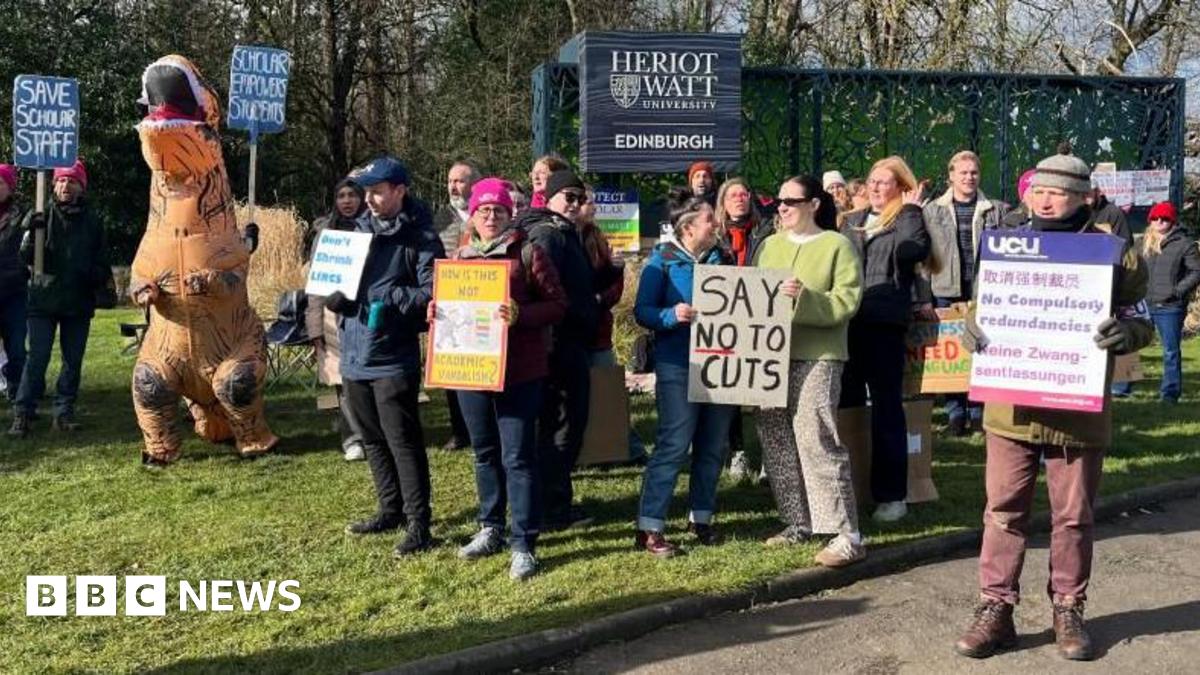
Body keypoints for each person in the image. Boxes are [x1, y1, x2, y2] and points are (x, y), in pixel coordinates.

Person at [953, 149, 1153, 662]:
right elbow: (985, 305)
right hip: (1011, 407)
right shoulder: (1006, 243)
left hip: (1076, 411)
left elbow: (1142, 318)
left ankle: (1068, 608)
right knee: (1002, 511)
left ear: (1084, 196)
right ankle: (995, 609)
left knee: (1073, 517)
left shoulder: (1114, 251)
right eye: (1038, 189)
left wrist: (1124, 331)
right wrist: (973, 327)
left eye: (1057, 191)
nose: (1044, 199)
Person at [435, 177, 567, 580]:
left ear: (511, 215)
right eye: (484, 210)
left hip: (520, 371)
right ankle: (490, 526)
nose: (491, 217)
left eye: (499, 211)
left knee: (518, 457)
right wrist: (435, 315)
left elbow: (559, 305)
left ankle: (523, 542)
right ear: (472, 216)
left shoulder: (528, 251)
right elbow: (444, 306)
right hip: (470, 370)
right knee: (484, 452)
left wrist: (521, 315)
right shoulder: (459, 257)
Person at [331, 157, 442, 557]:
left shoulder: (421, 238)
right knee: (372, 438)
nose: (370, 199)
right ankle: (389, 508)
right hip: (355, 351)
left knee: (402, 441)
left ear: (399, 190)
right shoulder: (354, 231)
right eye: (367, 192)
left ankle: (419, 523)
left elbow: (432, 294)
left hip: (393, 356)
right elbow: (340, 286)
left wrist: (389, 296)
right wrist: (334, 296)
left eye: (378, 191)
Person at [754, 175, 865, 566]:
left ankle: (845, 532)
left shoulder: (838, 246)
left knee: (816, 433)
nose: (780, 208)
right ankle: (796, 522)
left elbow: (846, 301)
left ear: (814, 204)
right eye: (777, 202)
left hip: (819, 354)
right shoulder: (769, 247)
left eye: (790, 201)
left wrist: (806, 298)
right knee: (775, 436)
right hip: (769, 354)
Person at [633, 187, 736, 556]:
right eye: (710, 218)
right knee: (674, 443)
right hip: (678, 363)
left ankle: (701, 517)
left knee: (713, 444)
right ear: (689, 227)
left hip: (721, 364)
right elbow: (642, 311)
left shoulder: (723, 260)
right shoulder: (661, 261)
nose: (717, 223)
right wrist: (670, 315)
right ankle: (650, 526)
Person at [839, 156, 931, 523]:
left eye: (885, 182)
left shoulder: (907, 221)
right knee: (845, 404)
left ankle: (892, 495)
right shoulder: (851, 222)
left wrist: (910, 211)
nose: (875, 187)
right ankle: (849, 489)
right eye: (872, 181)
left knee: (886, 409)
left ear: (901, 188)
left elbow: (913, 252)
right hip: (847, 323)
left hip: (884, 325)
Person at [514, 169, 599, 531]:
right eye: (568, 197)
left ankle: (554, 502)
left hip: (568, 344)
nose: (576, 204)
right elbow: (544, 292)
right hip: (558, 348)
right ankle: (553, 509)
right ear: (548, 199)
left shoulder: (565, 232)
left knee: (563, 427)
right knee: (561, 428)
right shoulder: (548, 234)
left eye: (580, 198)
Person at [9, 160, 109, 437]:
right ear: (53, 185)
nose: (65, 186)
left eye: (72, 181)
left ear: (81, 186)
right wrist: (30, 234)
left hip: (78, 302)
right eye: (61, 181)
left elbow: (102, 261)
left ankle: (63, 412)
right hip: (43, 299)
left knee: (72, 361)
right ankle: (23, 413)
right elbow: (25, 257)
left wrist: (92, 274)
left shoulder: (93, 221)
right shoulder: (42, 215)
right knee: (37, 359)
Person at [921, 151, 1006, 435]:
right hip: (945, 290)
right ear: (951, 176)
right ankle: (956, 414)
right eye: (963, 173)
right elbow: (924, 257)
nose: (969, 177)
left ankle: (978, 411)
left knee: (981, 350)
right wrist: (924, 296)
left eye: (974, 173)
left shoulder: (996, 210)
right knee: (952, 356)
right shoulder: (932, 211)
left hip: (983, 290)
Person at [578, 187, 645, 461]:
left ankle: (629, 447)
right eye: (587, 202)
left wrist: (598, 299)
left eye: (593, 202)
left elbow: (615, 286)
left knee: (608, 394)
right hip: (568, 333)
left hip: (598, 331)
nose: (592, 207)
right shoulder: (556, 237)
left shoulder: (599, 240)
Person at [713, 177, 773, 480]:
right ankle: (736, 451)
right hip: (725, 317)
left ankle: (767, 457)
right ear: (723, 202)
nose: (740, 199)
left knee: (764, 388)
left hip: (760, 314)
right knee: (729, 390)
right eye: (733, 195)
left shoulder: (766, 231)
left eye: (744, 194)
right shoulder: (714, 235)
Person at [306, 178, 367, 461]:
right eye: (341, 195)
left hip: (368, 313)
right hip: (334, 316)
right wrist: (314, 326)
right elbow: (316, 284)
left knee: (370, 379)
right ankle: (352, 438)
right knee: (344, 381)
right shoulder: (326, 233)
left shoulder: (374, 228)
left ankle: (374, 434)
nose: (347, 201)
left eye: (352, 195)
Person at [433, 160, 481, 451]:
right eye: (450, 181)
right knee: (452, 368)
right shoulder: (440, 217)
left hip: (481, 298)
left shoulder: (487, 212)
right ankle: (459, 431)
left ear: (475, 183)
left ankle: (481, 428)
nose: (453, 186)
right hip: (451, 301)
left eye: (460, 181)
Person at [1140, 201, 1200, 403]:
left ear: (1172, 221)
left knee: (1170, 351)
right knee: (1128, 345)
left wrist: (1177, 291)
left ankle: (1170, 394)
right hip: (1144, 303)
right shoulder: (1143, 242)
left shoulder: (1185, 244)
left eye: (1164, 218)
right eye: (1155, 218)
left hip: (1170, 307)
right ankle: (1121, 388)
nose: (1159, 222)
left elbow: (1196, 271)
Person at [0, 164, 28, 409]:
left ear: (10, 187)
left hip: (14, 292)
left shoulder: (22, 216)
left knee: (17, 347)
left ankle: (18, 390)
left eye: (1, 183)